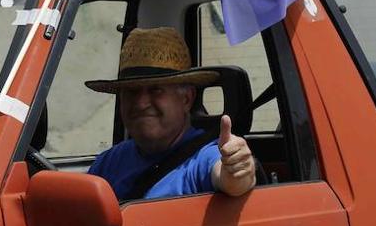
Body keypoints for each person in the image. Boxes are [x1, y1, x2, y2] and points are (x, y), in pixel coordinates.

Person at [85, 27, 256, 202]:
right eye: (131, 91)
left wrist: (238, 170)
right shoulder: (109, 162)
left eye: (156, 90)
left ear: (186, 99)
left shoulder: (203, 157)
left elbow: (230, 179)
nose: (141, 103)